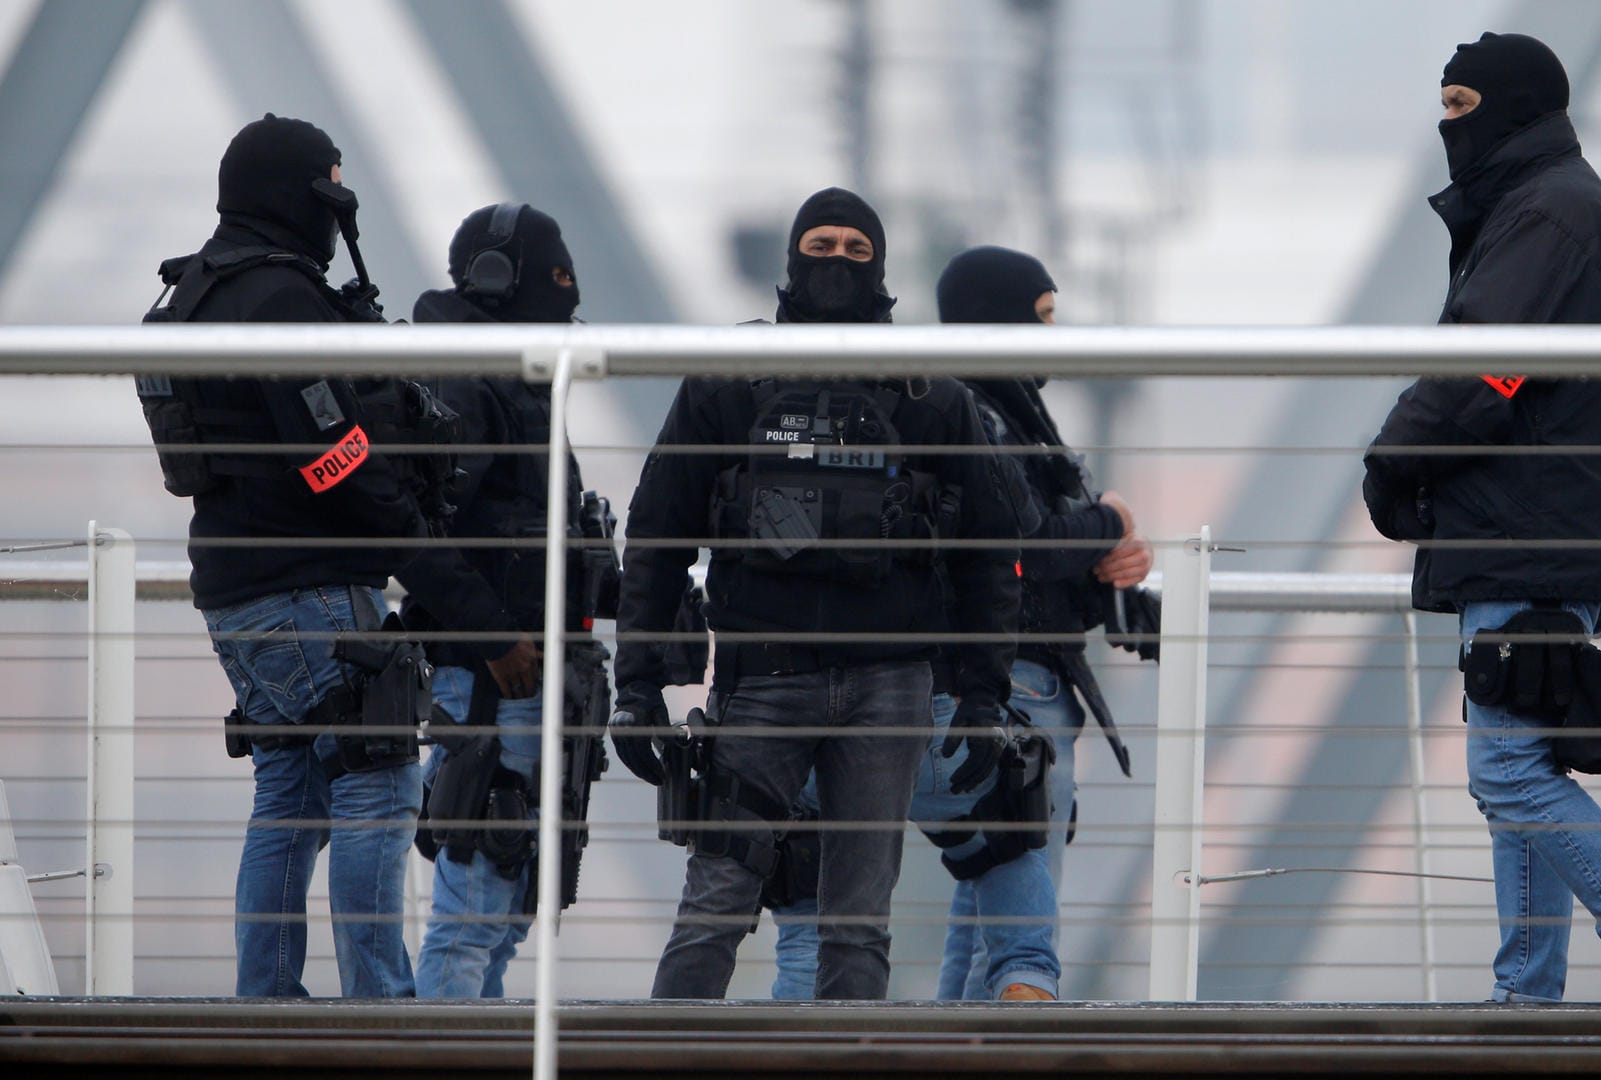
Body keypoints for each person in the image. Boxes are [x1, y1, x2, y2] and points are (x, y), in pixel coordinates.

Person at [1361, 34, 1601, 1004]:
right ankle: (1527, 998)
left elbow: (1485, 372)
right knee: (1515, 780)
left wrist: (1394, 465)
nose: (1449, 125)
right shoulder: (1548, 204)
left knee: (1511, 779)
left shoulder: (1549, 214)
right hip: (1536, 535)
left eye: (1462, 103)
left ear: (1514, 107)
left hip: (1531, 542)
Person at [609, 188, 1022, 1001]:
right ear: (793, 259)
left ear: (882, 268)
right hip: (762, 682)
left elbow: (988, 546)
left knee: (857, 923)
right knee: (715, 906)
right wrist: (634, 688)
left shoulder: (929, 394)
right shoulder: (730, 379)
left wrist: (984, 695)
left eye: (857, 251)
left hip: (891, 686)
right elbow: (657, 532)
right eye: (821, 245)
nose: (837, 262)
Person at [137, 114, 498, 997]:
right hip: (309, 591)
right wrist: (453, 586)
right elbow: (338, 465)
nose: (339, 221)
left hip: (233, 594)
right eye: (329, 194)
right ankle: (383, 1007)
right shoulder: (280, 301)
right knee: (376, 785)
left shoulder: (188, 300)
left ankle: (267, 1003)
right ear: (298, 197)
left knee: (290, 799)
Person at [766, 245, 1156, 1002]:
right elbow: (1023, 546)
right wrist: (1108, 519)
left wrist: (1109, 561)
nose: (1053, 338)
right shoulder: (979, 416)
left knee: (981, 898)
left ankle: (950, 1046)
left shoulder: (972, 409)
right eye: (1040, 320)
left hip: (985, 675)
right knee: (1013, 903)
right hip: (1012, 681)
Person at [404, 203, 615, 997]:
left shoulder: (518, 379)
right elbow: (431, 533)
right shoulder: (470, 379)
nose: (569, 298)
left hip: (533, 669)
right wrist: (496, 638)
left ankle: (481, 1048)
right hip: (496, 677)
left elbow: (520, 531)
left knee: (510, 897)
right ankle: (446, 1054)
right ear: (501, 278)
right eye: (556, 278)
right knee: (476, 894)